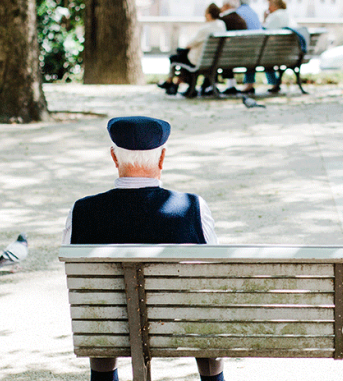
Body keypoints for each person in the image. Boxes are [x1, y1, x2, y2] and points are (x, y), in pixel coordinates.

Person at [62, 116, 225, 381]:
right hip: (182, 327)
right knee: (203, 307)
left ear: (114, 158)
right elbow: (212, 274)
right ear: (162, 160)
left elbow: (79, 279)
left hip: (107, 328)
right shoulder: (193, 208)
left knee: (100, 306)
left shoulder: (82, 210)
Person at [160, 3, 226, 97]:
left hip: (199, 60)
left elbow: (189, 44)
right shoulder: (221, 25)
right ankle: (173, 83)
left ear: (208, 15)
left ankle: (171, 82)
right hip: (214, 60)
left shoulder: (205, 29)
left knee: (176, 57)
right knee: (180, 56)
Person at [207, 0, 248, 96]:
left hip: (227, 56)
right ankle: (231, 85)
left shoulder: (223, 20)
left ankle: (209, 85)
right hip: (243, 55)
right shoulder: (242, 20)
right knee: (228, 53)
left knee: (215, 55)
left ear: (226, 6)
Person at [261, 0, 293, 94]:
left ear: (274, 6)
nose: (268, 8)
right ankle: (275, 83)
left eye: (269, 5)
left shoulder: (274, 16)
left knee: (265, 59)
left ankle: (274, 83)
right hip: (289, 52)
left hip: (275, 53)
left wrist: (264, 19)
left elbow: (264, 31)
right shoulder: (287, 15)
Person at [233, 0, 262, 95]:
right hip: (258, 49)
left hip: (246, 49)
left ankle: (232, 85)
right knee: (252, 53)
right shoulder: (253, 12)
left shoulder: (238, 13)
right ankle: (250, 84)